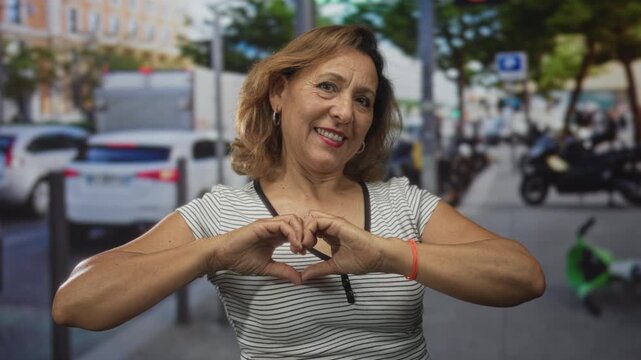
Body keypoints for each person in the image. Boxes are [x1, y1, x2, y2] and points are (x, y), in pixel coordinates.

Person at [52, 25, 545, 359]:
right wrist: (215, 253)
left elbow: (523, 277)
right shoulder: (224, 213)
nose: (344, 112)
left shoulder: (403, 203)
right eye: (327, 87)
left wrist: (390, 254)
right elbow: (76, 303)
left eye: (362, 100)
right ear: (279, 94)